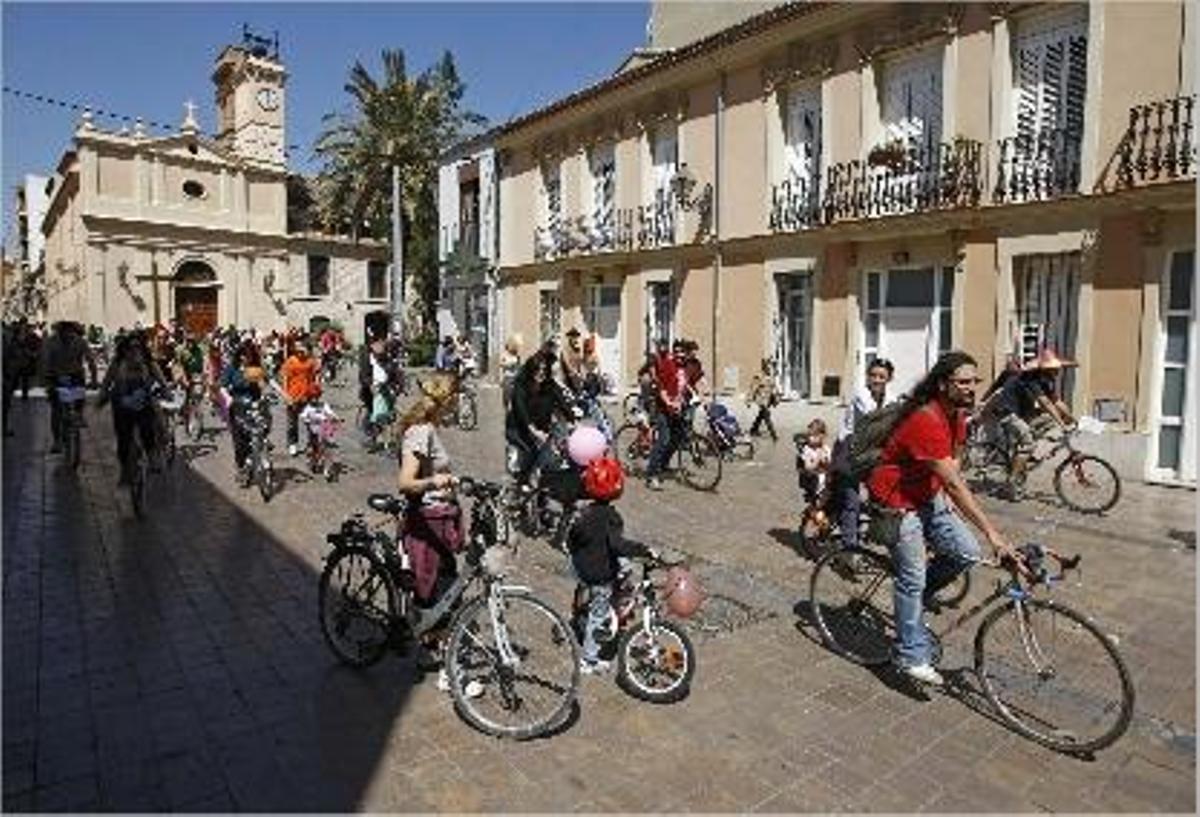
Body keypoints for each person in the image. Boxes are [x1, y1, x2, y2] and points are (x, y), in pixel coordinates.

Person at [866, 350, 1021, 686]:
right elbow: (954, 482)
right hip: (896, 500)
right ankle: (910, 655)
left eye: (974, 381)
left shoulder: (957, 416)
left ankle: (915, 600)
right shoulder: (926, 418)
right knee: (912, 576)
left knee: (966, 551)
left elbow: (954, 465)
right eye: (962, 382)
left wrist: (946, 498)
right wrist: (993, 534)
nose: (970, 387)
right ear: (942, 384)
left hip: (926, 493)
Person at [394, 374, 482, 698]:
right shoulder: (421, 432)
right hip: (426, 525)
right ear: (447, 399)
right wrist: (437, 482)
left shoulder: (429, 428)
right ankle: (452, 674)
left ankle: (427, 648)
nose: (459, 403)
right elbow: (405, 482)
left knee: (439, 593)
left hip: (439, 521)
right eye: (456, 397)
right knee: (444, 597)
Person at [566, 456, 654, 674]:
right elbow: (617, 545)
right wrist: (644, 550)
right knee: (599, 614)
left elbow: (572, 539)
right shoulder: (612, 517)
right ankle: (589, 659)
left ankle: (596, 606)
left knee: (621, 567)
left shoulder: (584, 514)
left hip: (579, 566)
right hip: (598, 575)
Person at [980, 348, 1077, 499]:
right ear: (1045, 368)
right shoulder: (1032, 378)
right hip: (1007, 412)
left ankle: (1022, 457)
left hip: (1022, 412)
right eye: (1054, 369)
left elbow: (1056, 401)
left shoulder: (1046, 380)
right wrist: (1062, 424)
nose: (1057, 372)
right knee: (1028, 444)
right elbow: (1045, 403)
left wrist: (1072, 418)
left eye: (1057, 368)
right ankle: (1011, 482)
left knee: (1047, 420)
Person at [834, 358, 896, 548]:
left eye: (882, 376)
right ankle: (849, 549)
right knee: (851, 502)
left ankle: (872, 532)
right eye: (873, 375)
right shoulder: (861, 396)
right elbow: (874, 419)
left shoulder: (891, 398)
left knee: (881, 495)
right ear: (867, 376)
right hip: (849, 451)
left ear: (889, 379)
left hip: (870, 454)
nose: (876, 380)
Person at [98, 332, 167, 483]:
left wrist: (165, 390)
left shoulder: (149, 363)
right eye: (130, 348)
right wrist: (102, 395)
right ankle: (124, 469)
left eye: (137, 348)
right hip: (121, 404)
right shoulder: (117, 363)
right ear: (124, 349)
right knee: (123, 438)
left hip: (143, 402)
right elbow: (106, 382)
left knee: (148, 429)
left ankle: (152, 456)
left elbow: (161, 379)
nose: (134, 351)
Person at [506, 350, 573, 487]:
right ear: (531, 370)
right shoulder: (521, 385)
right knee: (530, 452)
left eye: (544, 370)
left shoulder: (550, 384)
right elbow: (521, 410)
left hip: (541, 428)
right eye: (537, 369)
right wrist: (533, 430)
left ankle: (539, 486)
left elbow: (562, 401)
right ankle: (522, 483)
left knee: (549, 457)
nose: (540, 373)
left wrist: (572, 420)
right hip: (518, 428)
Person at [42, 321, 97, 453]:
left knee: (79, 396)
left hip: (75, 375)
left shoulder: (80, 342)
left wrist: (94, 379)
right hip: (55, 376)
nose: (68, 335)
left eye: (70, 333)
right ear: (59, 332)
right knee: (56, 409)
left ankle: (79, 414)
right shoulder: (51, 342)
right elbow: (45, 361)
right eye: (64, 333)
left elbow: (90, 360)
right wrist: (47, 381)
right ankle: (57, 441)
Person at [220, 341, 267, 481]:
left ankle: (255, 460)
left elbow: (263, 384)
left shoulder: (255, 368)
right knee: (240, 442)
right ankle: (241, 466)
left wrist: (266, 395)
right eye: (244, 355)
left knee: (258, 435)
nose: (247, 358)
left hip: (255, 407)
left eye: (250, 355)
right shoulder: (232, 368)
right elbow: (223, 387)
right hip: (237, 407)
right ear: (239, 355)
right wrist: (228, 398)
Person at [644, 339, 687, 491]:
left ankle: (663, 464)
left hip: (676, 409)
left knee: (678, 437)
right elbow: (661, 386)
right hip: (662, 408)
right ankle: (651, 475)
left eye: (682, 352)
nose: (680, 355)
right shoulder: (668, 364)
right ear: (673, 353)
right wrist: (668, 402)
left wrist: (682, 401)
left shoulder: (683, 368)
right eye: (677, 352)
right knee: (663, 440)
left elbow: (682, 388)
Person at [280, 339, 322, 457]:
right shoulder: (290, 361)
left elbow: (316, 376)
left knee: (311, 421)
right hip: (293, 396)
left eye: (301, 348)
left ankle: (312, 444)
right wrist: (285, 394)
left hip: (308, 395)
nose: (299, 350)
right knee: (292, 422)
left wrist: (317, 389)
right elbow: (285, 378)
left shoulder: (311, 361)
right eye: (297, 348)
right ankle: (293, 444)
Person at [747, 358, 781, 441]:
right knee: (766, 415)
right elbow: (753, 389)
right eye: (768, 366)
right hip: (761, 399)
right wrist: (749, 400)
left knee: (761, 415)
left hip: (768, 399)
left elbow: (774, 388)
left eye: (771, 366)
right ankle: (774, 435)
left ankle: (753, 429)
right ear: (764, 367)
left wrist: (776, 398)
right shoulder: (759, 376)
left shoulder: (771, 376)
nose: (770, 368)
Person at [499, 333, 524, 413]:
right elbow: (501, 365)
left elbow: (520, 367)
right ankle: (507, 411)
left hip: (516, 378)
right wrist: (508, 365)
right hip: (508, 378)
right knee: (506, 398)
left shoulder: (517, 356)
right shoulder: (504, 354)